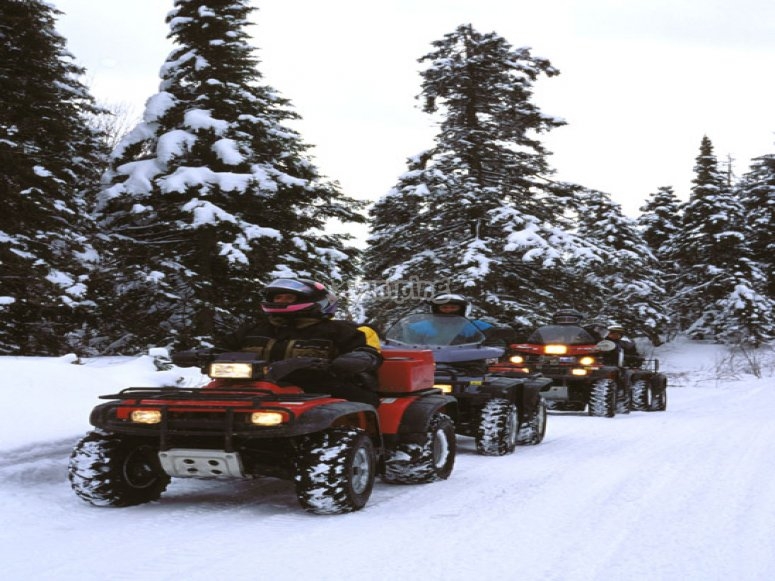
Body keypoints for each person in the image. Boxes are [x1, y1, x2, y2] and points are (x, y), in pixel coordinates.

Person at [221, 278, 382, 407]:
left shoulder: (339, 329)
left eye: (289, 297)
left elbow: (367, 351)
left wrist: (356, 359)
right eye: (278, 297)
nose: (281, 301)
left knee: (360, 403)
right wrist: (202, 353)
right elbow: (223, 347)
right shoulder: (254, 329)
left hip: (319, 386)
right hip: (251, 386)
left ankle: (365, 442)